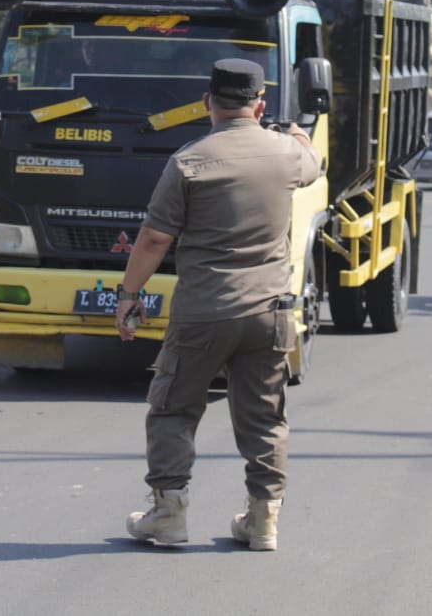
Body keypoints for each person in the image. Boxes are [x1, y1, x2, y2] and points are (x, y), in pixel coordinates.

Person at [113, 58, 320, 551]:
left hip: (204, 312)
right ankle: (263, 520)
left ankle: (168, 513)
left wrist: (127, 296)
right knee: (264, 416)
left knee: (173, 410)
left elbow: (153, 240)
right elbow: (313, 165)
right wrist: (302, 138)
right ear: (260, 105)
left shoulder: (189, 161)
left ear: (208, 102)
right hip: (269, 312)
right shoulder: (286, 154)